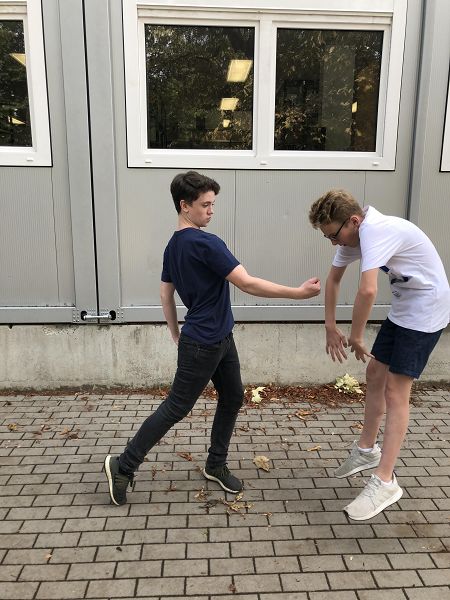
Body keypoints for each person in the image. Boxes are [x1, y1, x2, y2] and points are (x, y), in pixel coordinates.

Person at [104, 171, 321, 505]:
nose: (211, 210)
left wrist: (175, 332)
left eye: (212, 204)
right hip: (204, 343)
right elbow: (246, 283)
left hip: (219, 338)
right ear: (184, 205)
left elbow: (165, 294)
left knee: (232, 397)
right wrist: (298, 293)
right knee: (176, 407)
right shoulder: (206, 243)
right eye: (205, 204)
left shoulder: (173, 246)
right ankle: (123, 465)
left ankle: (215, 464)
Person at [309, 189, 449, 520]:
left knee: (396, 391)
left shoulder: (375, 230)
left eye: (334, 236)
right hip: (404, 308)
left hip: (427, 310)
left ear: (353, 221)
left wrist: (356, 336)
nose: (333, 244)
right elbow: (333, 280)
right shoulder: (352, 234)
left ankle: (385, 481)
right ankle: (366, 451)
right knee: (374, 374)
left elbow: (368, 289)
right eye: (328, 238)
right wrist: (330, 326)